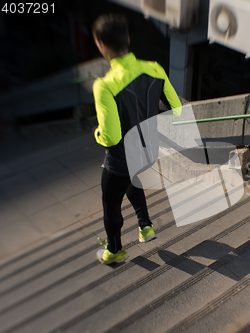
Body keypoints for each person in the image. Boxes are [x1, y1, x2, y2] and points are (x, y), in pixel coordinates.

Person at [92, 13, 182, 264]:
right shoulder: (155, 68)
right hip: (148, 152)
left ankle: (115, 251)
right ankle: (145, 227)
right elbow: (177, 110)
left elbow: (110, 138)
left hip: (122, 159)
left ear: (101, 45)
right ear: (128, 39)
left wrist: (97, 134)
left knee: (111, 202)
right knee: (132, 179)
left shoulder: (105, 85)